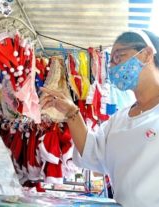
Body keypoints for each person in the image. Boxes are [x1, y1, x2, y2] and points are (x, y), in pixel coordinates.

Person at [41, 30, 159, 207]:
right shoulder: (119, 119)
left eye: (119, 57)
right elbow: (92, 153)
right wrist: (72, 112)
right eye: (110, 62)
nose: (112, 67)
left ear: (147, 54)